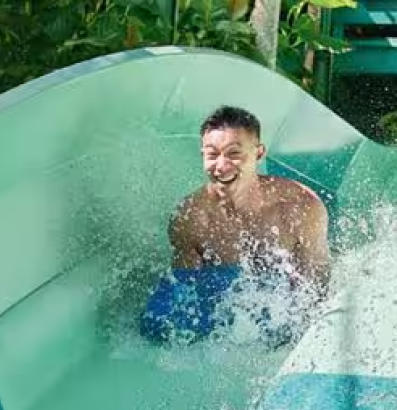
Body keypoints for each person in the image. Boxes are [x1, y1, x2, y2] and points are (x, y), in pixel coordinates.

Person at [141, 105, 330, 345]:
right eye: (212, 154)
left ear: (259, 154)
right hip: (223, 298)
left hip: (284, 297)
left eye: (233, 154)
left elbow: (315, 288)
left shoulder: (300, 207)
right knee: (154, 329)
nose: (221, 166)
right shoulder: (190, 217)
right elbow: (186, 296)